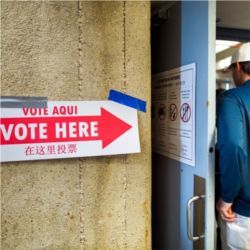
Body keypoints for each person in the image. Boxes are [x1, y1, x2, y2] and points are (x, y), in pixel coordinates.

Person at [216, 42, 250, 250]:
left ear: (238, 67)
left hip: (244, 212)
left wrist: (227, 197)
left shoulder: (233, 99)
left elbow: (233, 146)